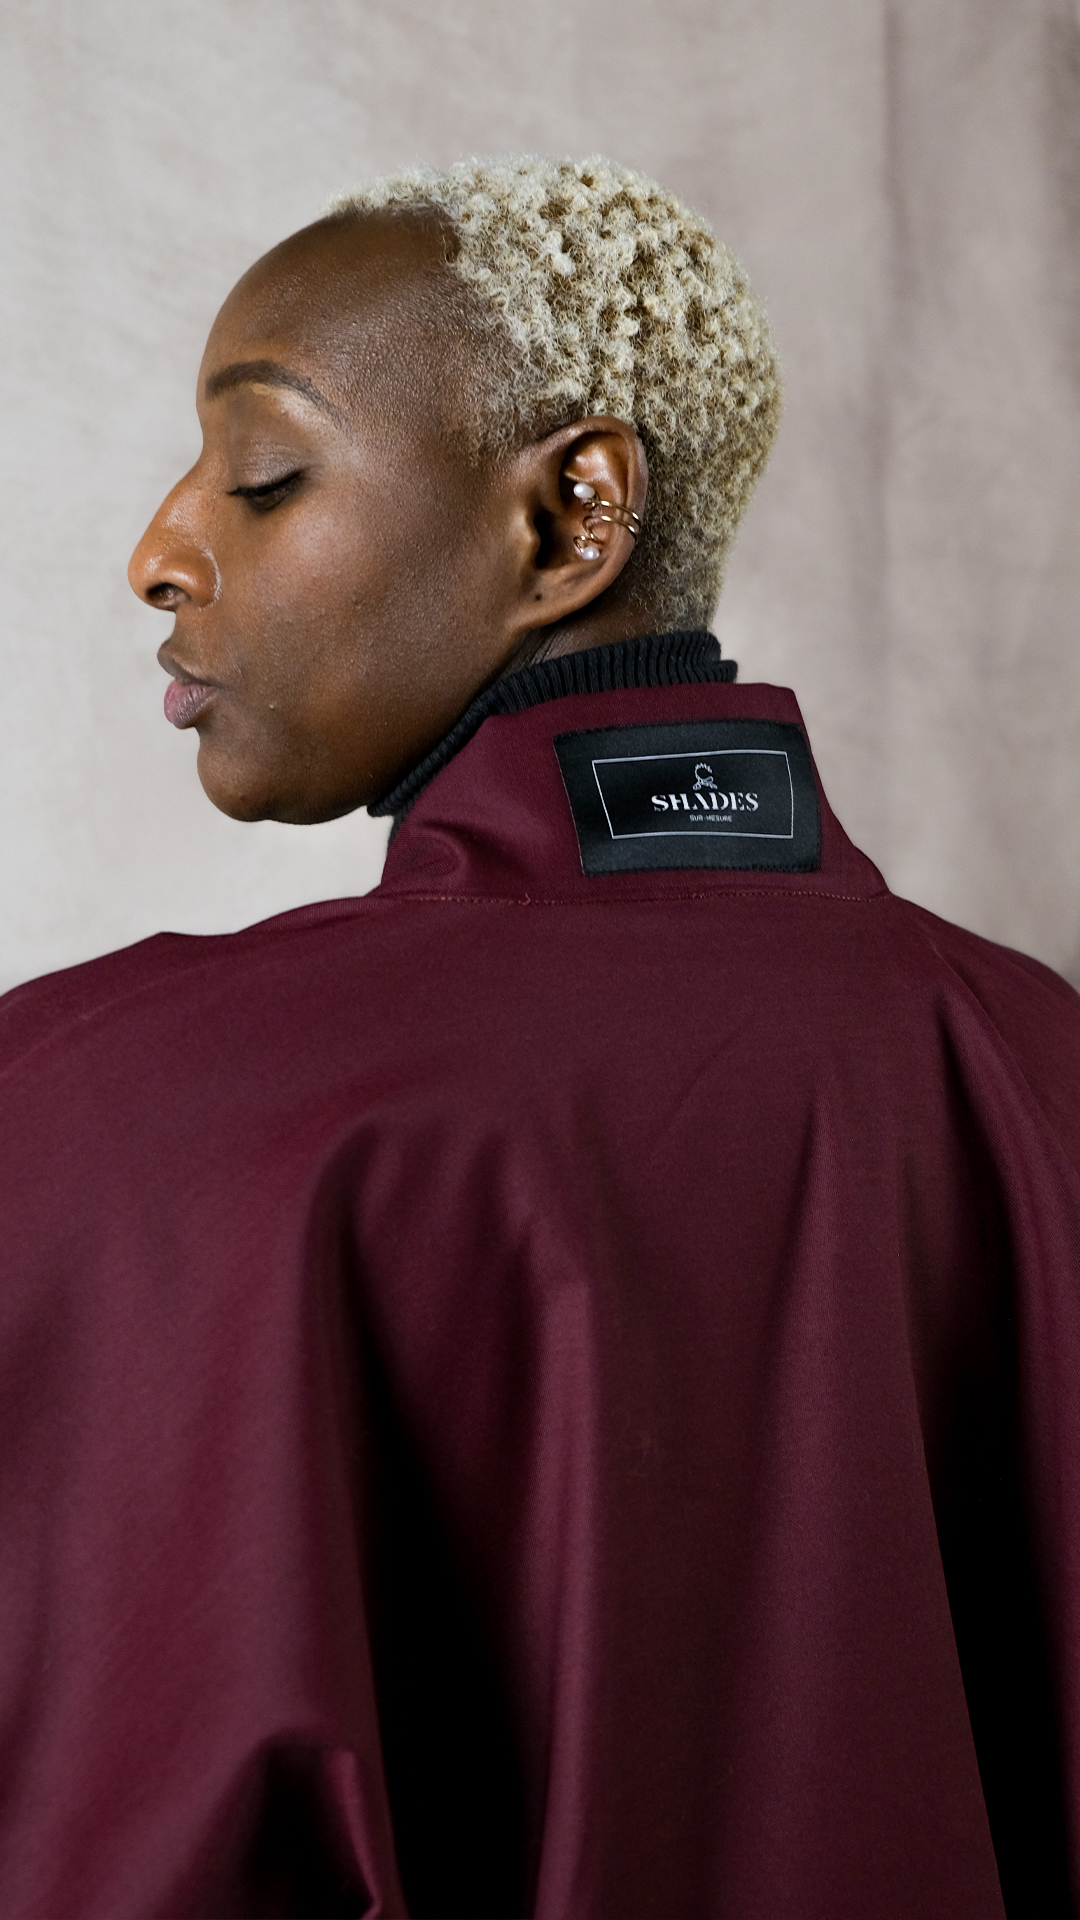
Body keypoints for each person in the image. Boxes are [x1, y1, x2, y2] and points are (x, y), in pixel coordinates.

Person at [0, 155, 1076, 1920]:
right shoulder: (1044, 1066)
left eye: (262, 474)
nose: (161, 550)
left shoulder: (86, 1111)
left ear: (572, 519)